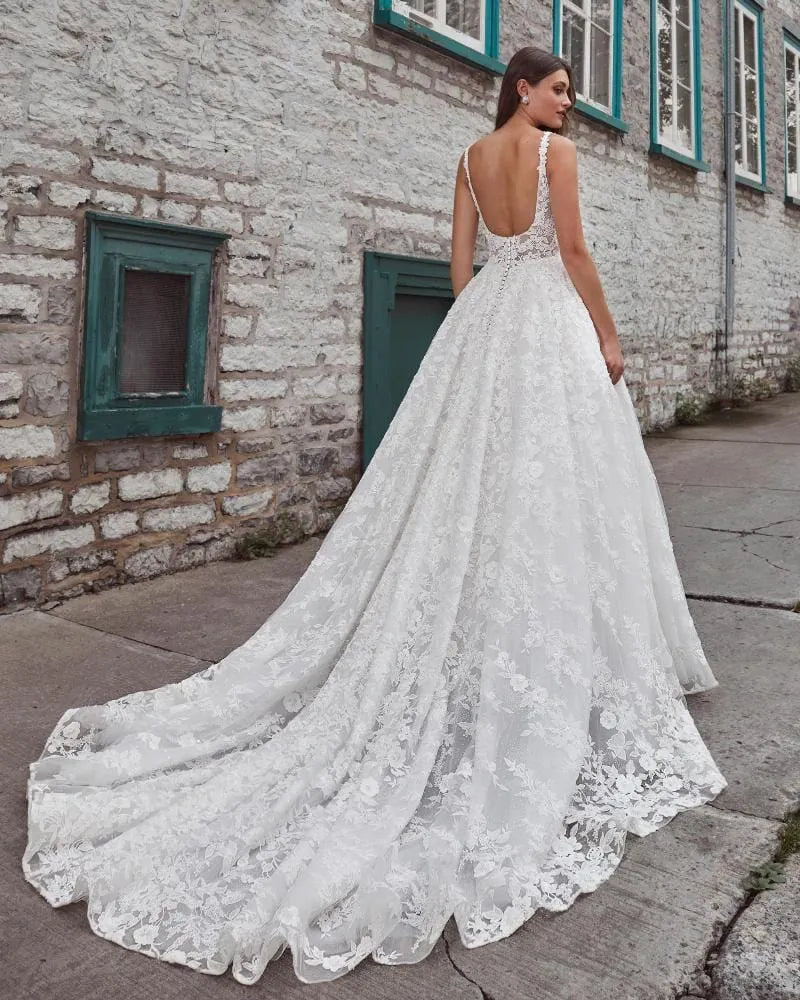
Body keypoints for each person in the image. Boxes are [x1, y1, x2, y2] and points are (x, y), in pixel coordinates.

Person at [22, 45, 727, 987]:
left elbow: (461, 267)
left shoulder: (471, 159)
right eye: (561, 88)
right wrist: (604, 331)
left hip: (485, 328)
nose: (569, 104)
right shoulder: (555, 157)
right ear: (525, 86)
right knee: (553, 490)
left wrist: (482, 342)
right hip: (548, 321)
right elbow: (575, 253)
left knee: (472, 490)